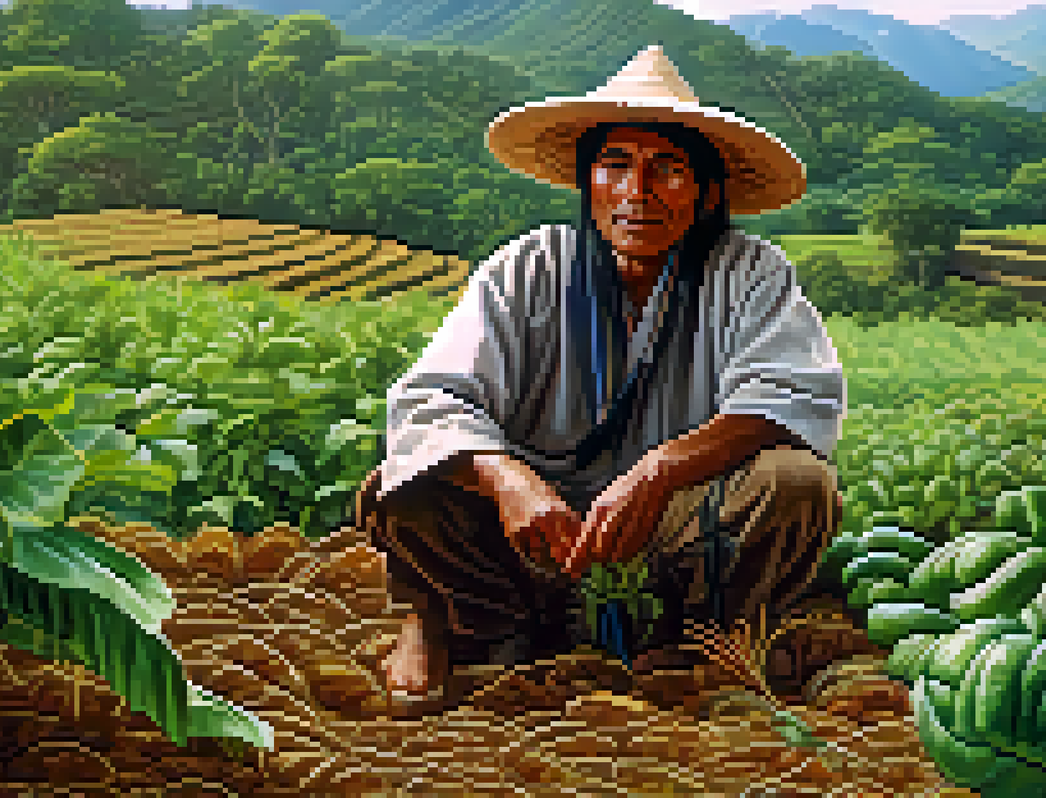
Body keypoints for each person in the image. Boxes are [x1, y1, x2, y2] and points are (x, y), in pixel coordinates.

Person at [352, 45, 847, 712]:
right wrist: (510, 482)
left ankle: (697, 636)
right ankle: (452, 623)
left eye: (666, 170)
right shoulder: (528, 269)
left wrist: (661, 470)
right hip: (532, 532)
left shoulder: (749, 273)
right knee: (403, 484)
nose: (637, 193)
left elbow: (789, 396)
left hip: (671, 534)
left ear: (702, 191)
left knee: (795, 484)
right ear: (589, 181)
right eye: (616, 166)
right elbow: (433, 400)